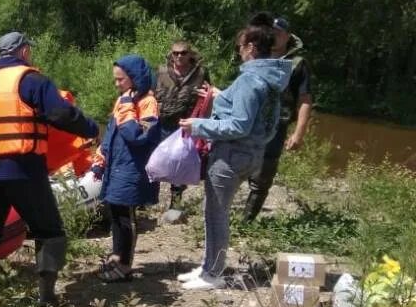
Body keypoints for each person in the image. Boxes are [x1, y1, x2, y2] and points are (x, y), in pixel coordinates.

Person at [0, 31, 99, 307]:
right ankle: (47, 297)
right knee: (49, 231)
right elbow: (60, 113)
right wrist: (91, 128)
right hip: (24, 169)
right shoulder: (30, 80)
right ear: (24, 51)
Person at [178, 25, 292, 290]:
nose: (238, 52)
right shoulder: (272, 80)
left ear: (251, 47)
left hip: (231, 155)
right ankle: (209, 266)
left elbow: (239, 124)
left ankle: (212, 274)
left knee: (215, 213)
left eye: (240, 47)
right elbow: (269, 123)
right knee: (215, 211)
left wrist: (198, 125)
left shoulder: (250, 80)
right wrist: (222, 97)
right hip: (251, 155)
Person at [91, 55, 162, 282]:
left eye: (121, 79)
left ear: (134, 78)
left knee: (126, 217)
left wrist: (128, 107)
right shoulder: (124, 99)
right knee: (115, 213)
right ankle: (116, 256)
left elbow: (137, 135)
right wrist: (100, 159)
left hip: (132, 168)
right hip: (117, 166)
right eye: (116, 80)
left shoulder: (147, 103)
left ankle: (124, 265)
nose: (117, 84)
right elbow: (112, 133)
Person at [243, 13, 315, 220]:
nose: (273, 36)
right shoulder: (254, 56)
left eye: (278, 33)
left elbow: (304, 100)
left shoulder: (297, 64)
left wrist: (299, 134)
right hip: (247, 121)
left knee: (262, 175)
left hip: (275, 126)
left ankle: (245, 222)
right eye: (270, 32)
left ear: (287, 37)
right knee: (236, 164)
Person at [154, 40, 210, 208]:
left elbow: (208, 94)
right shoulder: (161, 71)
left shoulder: (200, 73)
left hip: (187, 123)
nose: (179, 56)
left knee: (180, 161)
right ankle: (148, 199)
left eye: (183, 53)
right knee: (158, 159)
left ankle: (175, 203)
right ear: (171, 54)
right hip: (164, 123)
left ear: (190, 53)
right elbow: (151, 94)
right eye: (175, 53)